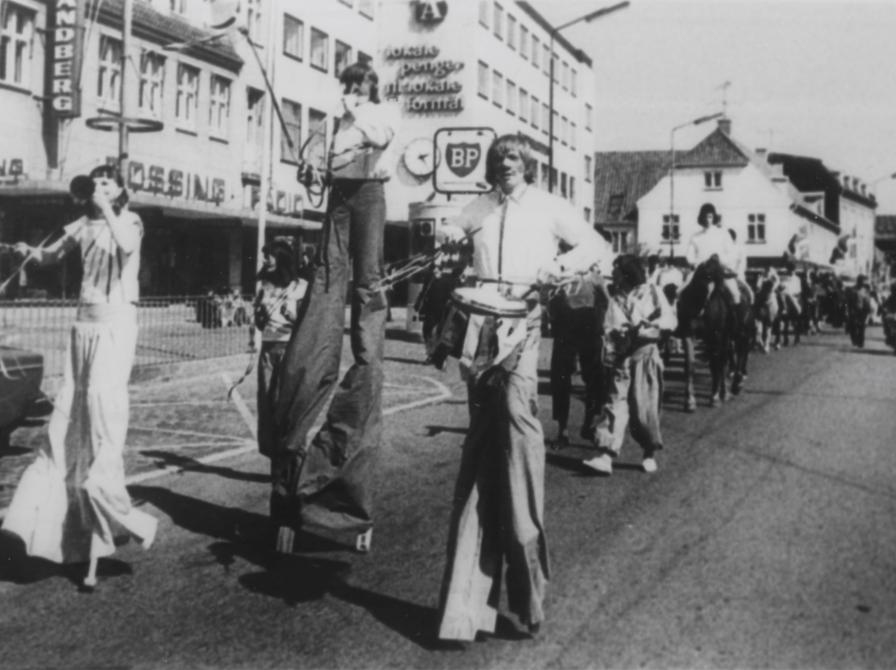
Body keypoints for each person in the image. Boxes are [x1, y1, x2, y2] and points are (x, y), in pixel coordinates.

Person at [436, 134, 614, 642]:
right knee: (480, 449)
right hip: (480, 331)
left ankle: (528, 593)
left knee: (517, 441)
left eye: (513, 160)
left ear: (527, 166)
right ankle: (464, 608)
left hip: (523, 326)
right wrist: (447, 236)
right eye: (498, 161)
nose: (505, 167)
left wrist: (555, 268)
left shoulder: (547, 207)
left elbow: (594, 245)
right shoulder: (482, 205)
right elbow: (453, 228)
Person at [1, 165, 157, 589]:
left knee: (102, 413)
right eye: (97, 182)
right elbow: (53, 255)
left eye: (109, 182)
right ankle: (61, 534)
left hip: (114, 326)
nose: (100, 187)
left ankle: (114, 514)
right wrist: (27, 251)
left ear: (122, 189)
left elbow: (125, 245)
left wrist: (106, 206)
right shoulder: (83, 223)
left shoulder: (130, 221)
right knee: (69, 417)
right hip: (82, 326)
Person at [271, 61, 398, 553]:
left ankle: (368, 341)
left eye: (357, 85)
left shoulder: (380, 111)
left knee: (366, 281)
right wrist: (311, 168)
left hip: (369, 193)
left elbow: (381, 135)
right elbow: (318, 168)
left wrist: (355, 115)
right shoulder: (331, 123)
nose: (349, 91)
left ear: (370, 88)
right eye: (346, 85)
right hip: (340, 196)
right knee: (327, 274)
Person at [582, 254, 677, 475]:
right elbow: (608, 326)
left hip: (646, 355)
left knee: (644, 409)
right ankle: (606, 455)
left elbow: (670, 320)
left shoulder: (653, 292)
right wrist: (618, 332)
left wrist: (649, 324)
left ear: (626, 274)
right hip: (623, 357)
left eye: (616, 272)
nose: (613, 276)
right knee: (615, 404)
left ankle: (649, 451)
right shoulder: (615, 299)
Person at [252, 237, 307, 541]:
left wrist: (292, 317)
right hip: (268, 351)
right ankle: (276, 467)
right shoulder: (264, 285)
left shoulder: (300, 286)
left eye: (270, 255)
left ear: (282, 256)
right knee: (268, 410)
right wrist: (259, 318)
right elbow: (260, 323)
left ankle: (291, 472)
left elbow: (306, 323)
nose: (266, 260)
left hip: (289, 351)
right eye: (265, 255)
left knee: (287, 412)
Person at [548, 266, 603, 447]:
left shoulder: (595, 275)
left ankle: (589, 423)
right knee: (560, 378)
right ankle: (562, 430)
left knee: (594, 378)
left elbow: (606, 301)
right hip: (564, 326)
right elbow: (548, 302)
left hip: (590, 324)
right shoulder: (557, 270)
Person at [683, 203, 739, 304]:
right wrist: (697, 263)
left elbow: (732, 253)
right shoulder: (695, 237)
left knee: (735, 294)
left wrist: (721, 261)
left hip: (720, 272)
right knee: (682, 291)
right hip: (701, 272)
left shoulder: (723, 234)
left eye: (710, 216)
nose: (707, 219)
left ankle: (738, 319)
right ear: (701, 218)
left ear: (714, 218)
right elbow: (689, 256)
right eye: (704, 217)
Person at [727, 228, 754, 304]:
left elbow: (742, 264)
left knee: (743, 294)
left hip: (736, 276)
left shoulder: (739, 249)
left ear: (733, 238)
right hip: (724, 276)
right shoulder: (722, 250)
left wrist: (735, 273)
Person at [846, 274, 873, 348]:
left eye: (863, 282)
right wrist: (849, 310)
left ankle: (861, 342)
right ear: (858, 281)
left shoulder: (865, 290)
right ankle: (854, 339)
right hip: (854, 310)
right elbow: (849, 301)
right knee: (853, 326)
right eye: (860, 281)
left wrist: (869, 311)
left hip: (863, 311)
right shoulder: (852, 289)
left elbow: (867, 301)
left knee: (862, 327)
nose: (862, 283)